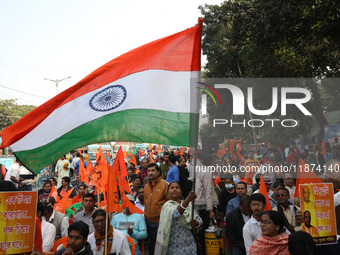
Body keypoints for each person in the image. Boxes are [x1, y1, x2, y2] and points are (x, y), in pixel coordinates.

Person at [155, 182, 202, 254]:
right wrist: (188, 199)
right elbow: (176, 213)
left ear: (181, 192)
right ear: (168, 193)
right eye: (172, 188)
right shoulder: (167, 206)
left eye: (177, 188)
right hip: (173, 248)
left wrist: (196, 223)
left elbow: (199, 221)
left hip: (190, 246)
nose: (175, 190)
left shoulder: (189, 206)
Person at [144, 163, 169, 255]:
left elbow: (169, 203)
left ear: (158, 172)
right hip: (148, 221)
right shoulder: (146, 186)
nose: (150, 173)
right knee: (152, 245)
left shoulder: (165, 185)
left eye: (153, 170)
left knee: (160, 246)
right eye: (149, 171)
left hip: (160, 221)